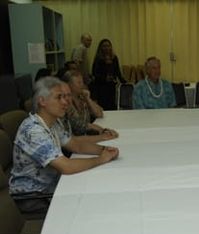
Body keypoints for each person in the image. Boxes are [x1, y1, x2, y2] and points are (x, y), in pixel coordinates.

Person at [9, 77, 119, 212]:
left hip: (52, 186)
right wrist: (101, 159)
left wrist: (104, 150)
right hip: (34, 196)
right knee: (91, 204)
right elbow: (66, 166)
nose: (65, 102)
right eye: (58, 97)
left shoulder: (53, 122)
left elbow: (75, 144)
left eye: (65, 97)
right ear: (42, 101)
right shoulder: (33, 131)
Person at [61, 70, 117, 136]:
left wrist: (88, 99)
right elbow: (78, 125)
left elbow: (99, 113)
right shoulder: (66, 102)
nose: (82, 85)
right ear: (68, 85)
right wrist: (102, 130)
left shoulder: (82, 98)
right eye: (79, 83)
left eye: (82, 82)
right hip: (74, 139)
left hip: (85, 136)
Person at [92, 39, 126, 110]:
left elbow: (118, 72)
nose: (106, 48)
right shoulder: (98, 59)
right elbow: (94, 73)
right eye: (104, 46)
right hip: (101, 87)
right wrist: (105, 78)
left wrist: (124, 82)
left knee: (112, 105)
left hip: (111, 86)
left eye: (108, 46)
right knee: (104, 106)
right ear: (100, 48)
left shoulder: (114, 58)